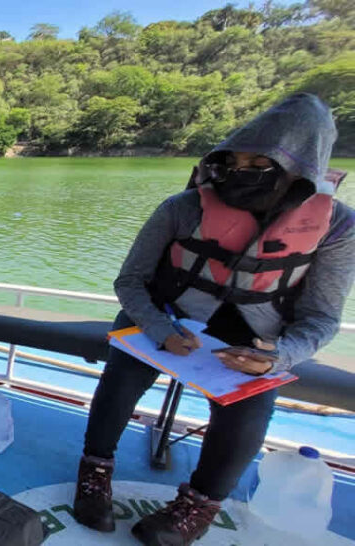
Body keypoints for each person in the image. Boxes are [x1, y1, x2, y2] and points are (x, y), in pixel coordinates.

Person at [73, 93, 355, 546]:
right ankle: (94, 471)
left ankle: (197, 506)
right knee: (121, 377)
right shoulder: (182, 207)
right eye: (232, 162)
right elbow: (130, 282)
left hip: (254, 339)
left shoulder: (338, 228)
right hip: (162, 316)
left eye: (256, 164)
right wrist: (161, 330)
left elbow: (322, 319)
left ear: (298, 170)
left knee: (250, 407)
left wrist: (279, 357)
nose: (239, 174)